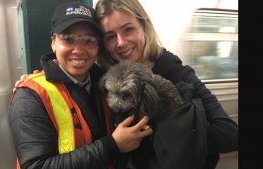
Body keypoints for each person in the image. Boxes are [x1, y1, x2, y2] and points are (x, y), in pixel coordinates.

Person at [15, 0, 238, 168]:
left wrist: (161, 135)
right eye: (110, 36)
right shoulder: (105, 77)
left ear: (144, 27)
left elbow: (230, 134)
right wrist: (41, 79)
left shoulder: (177, 73)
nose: (121, 43)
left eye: (128, 29)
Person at [8, 1, 153, 169]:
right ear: (53, 42)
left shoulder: (108, 86)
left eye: (88, 40)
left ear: (98, 46)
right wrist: (112, 145)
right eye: (68, 39)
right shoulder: (31, 96)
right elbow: (35, 166)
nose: (78, 50)